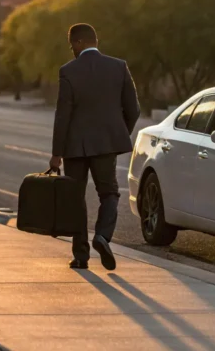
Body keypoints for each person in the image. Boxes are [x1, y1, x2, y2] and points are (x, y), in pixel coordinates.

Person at [50, 23, 140, 270]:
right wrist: (117, 134)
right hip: (105, 145)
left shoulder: (68, 71)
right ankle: (102, 235)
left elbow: (63, 115)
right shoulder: (118, 67)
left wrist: (56, 154)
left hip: (74, 147)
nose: (72, 51)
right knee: (109, 193)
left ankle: (81, 256)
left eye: (72, 46)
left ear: (79, 43)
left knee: (75, 198)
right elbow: (134, 109)